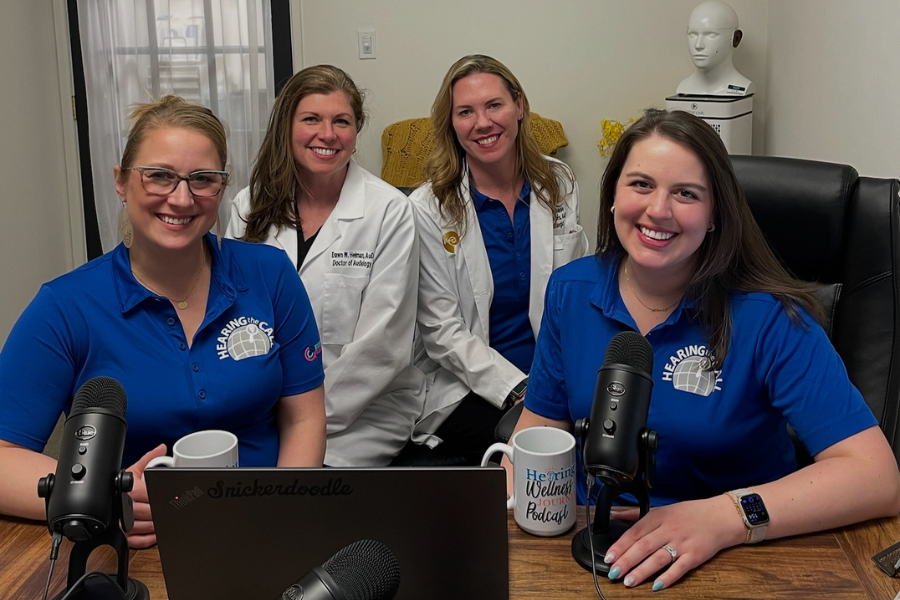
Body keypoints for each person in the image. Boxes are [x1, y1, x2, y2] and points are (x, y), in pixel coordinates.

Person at [509, 108, 900, 590]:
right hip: (589, 546)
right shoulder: (570, 290)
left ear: (715, 214)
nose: (658, 210)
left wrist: (724, 518)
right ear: (612, 195)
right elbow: (540, 429)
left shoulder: (771, 317)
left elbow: (875, 478)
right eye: (641, 184)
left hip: (735, 559)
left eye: (686, 194)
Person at [0, 96, 327, 548]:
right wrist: (102, 497)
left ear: (221, 188)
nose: (181, 198)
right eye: (159, 175)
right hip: (131, 543)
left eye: (202, 179)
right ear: (121, 182)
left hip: (263, 527)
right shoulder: (66, 306)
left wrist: (283, 513)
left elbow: (304, 418)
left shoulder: (269, 276)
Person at [226, 65, 424, 467]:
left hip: (357, 416)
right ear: (287, 126)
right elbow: (233, 317)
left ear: (357, 129)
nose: (327, 134)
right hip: (261, 407)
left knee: (308, 490)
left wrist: (301, 417)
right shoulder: (249, 205)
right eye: (311, 119)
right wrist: (261, 408)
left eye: (342, 121)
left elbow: (381, 346)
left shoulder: (390, 211)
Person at [407, 55, 589, 464]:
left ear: (519, 105)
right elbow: (441, 330)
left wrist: (558, 379)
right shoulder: (428, 207)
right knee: (529, 457)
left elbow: (577, 291)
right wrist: (521, 389)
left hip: (557, 369)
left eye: (494, 105)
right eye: (465, 112)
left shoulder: (558, 182)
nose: (483, 123)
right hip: (474, 384)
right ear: (451, 123)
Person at [676, 0, 755, 96]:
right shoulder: (684, 87)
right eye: (693, 34)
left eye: (711, 35)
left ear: (736, 38)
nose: (698, 45)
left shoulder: (742, 86)